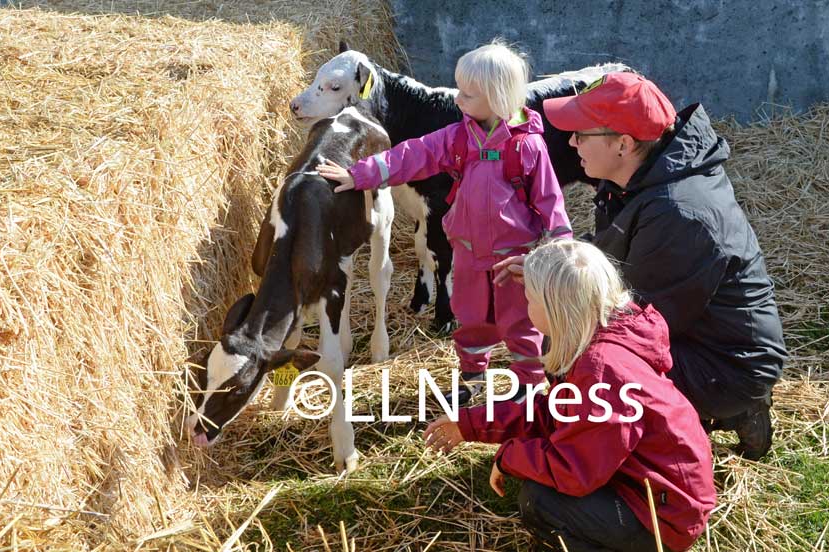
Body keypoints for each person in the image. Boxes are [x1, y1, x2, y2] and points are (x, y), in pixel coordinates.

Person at [496, 72, 787, 460]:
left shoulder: (680, 213)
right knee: (564, 329)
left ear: (623, 143)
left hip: (725, 363)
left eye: (582, 134)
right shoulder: (637, 179)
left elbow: (642, 326)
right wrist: (545, 267)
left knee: (572, 344)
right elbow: (613, 257)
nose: (570, 142)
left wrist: (559, 302)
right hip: (691, 331)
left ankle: (711, 415)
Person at [317, 40, 572, 405]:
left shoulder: (527, 147)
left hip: (514, 260)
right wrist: (359, 175)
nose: (457, 99)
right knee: (470, 320)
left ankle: (527, 389)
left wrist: (562, 244)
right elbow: (413, 154)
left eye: (467, 94)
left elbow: (550, 200)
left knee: (521, 324)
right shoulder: (457, 137)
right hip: (467, 251)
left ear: (498, 99)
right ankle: (472, 379)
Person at [424, 239, 716, 552]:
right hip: (654, 489)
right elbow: (553, 412)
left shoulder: (602, 371)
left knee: (541, 502)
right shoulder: (605, 336)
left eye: (531, 299)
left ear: (555, 309)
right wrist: (469, 424)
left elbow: (575, 471)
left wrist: (509, 458)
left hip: (663, 519)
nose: (526, 306)